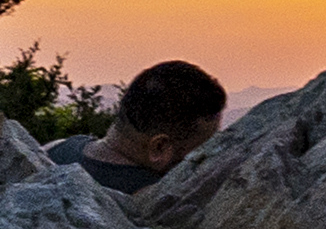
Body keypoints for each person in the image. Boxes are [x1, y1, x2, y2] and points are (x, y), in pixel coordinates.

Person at [70, 60, 226, 202]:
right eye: (202, 151)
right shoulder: (152, 201)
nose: (209, 160)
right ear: (159, 147)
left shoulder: (55, 150)